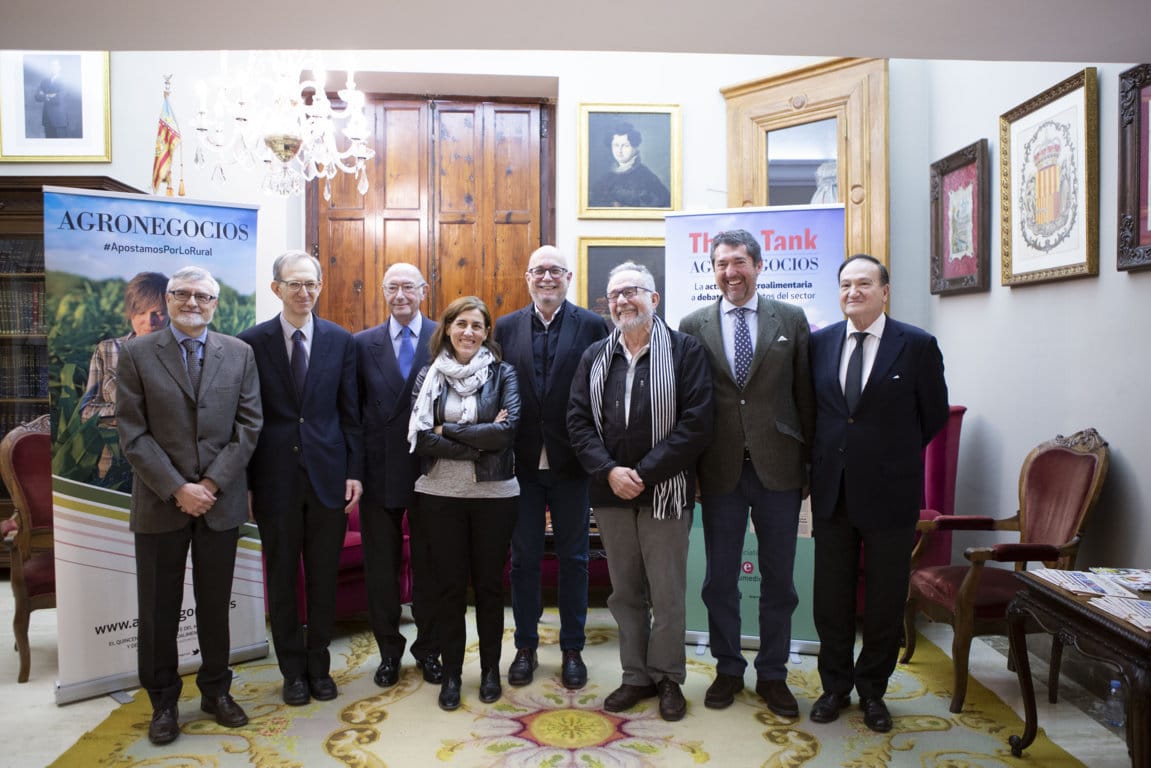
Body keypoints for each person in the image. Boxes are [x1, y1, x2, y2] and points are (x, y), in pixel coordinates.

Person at [116, 266, 262, 746]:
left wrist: (211, 484)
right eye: (182, 294)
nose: (192, 302)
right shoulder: (136, 353)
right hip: (161, 503)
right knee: (159, 608)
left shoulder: (239, 354)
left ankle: (216, 692)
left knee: (215, 604)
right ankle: (162, 702)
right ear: (170, 298)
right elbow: (132, 434)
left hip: (220, 504)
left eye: (202, 295)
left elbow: (249, 427)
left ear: (214, 303)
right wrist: (179, 487)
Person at [808, 254, 948, 733]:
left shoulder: (917, 345)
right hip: (832, 493)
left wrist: (888, 457)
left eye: (864, 284)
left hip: (890, 494)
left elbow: (932, 416)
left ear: (885, 291)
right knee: (830, 597)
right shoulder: (819, 344)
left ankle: (873, 692)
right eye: (845, 284)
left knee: (886, 600)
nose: (853, 292)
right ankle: (833, 687)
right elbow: (815, 414)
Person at [567, 262, 712, 722]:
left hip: (665, 490)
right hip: (611, 493)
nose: (622, 300)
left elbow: (696, 424)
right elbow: (578, 421)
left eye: (632, 291)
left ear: (655, 299)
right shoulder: (594, 356)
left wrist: (644, 473)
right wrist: (610, 471)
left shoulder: (686, 350)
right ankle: (636, 676)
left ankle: (668, 676)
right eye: (614, 295)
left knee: (666, 592)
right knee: (625, 592)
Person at [678, 229, 815, 716]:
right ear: (712, 270)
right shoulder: (692, 324)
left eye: (739, 262)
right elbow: (688, 406)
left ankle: (774, 674)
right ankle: (729, 669)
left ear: (758, 265)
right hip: (718, 470)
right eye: (721, 264)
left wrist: (809, 468)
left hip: (780, 466)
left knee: (780, 579)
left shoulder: (791, 319)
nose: (730, 273)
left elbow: (806, 398)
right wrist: (689, 469)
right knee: (719, 580)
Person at [238, 250, 364, 707]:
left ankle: (319, 664)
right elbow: (246, 420)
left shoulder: (340, 341)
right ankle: (291, 670)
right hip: (274, 481)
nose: (304, 292)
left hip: (329, 478)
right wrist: (248, 483)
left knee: (323, 578)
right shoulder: (250, 342)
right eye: (294, 284)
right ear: (277, 288)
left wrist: (355, 473)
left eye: (311, 284)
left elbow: (351, 415)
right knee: (282, 576)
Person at [495, 245, 609, 690]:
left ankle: (572, 648)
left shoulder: (593, 325)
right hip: (519, 464)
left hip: (571, 462)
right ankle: (525, 646)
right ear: (527, 278)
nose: (546, 278)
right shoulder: (505, 328)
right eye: (538, 271)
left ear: (568, 277)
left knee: (575, 559)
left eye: (555, 271)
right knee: (523, 560)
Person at [409, 296, 521, 711]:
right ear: (448, 329)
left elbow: (506, 434)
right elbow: (420, 437)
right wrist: (476, 440)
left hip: (495, 495)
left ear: (487, 332)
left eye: (477, 325)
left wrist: (448, 430)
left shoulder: (504, 373)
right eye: (461, 324)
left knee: (491, 588)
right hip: (439, 495)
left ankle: (490, 670)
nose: (469, 332)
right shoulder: (429, 376)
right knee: (449, 589)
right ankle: (452, 672)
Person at [354, 263, 442, 689]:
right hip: (379, 471)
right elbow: (350, 416)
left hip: (433, 470)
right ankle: (389, 651)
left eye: (409, 286)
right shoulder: (361, 344)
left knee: (431, 566)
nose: (401, 294)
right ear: (383, 292)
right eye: (393, 287)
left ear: (424, 291)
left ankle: (429, 649)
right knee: (381, 570)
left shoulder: (447, 337)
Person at [80, 271, 169, 482]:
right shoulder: (107, 350)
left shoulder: (184, 352)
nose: (150, 321)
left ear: (170, 311)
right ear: (130, 312)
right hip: (114, 463)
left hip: (167, 469)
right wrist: (133, 409)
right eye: (141, 312)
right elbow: (86, 412)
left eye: (158, 312)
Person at [588, 123, 671, 208]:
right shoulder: (607, 177)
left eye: (625, 146)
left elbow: (662, 204)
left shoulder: (646, 177)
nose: (619, 151)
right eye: (616, 145)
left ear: (635, 147)